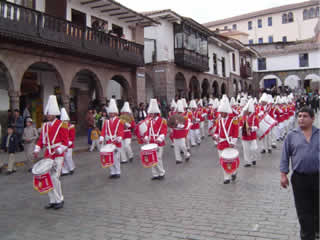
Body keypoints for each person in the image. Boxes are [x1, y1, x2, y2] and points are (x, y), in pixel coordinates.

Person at [280, 107, 319, 240]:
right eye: (300, 116)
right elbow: (285, 156)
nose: (301, 119)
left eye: (305, 116)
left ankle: (316, 229)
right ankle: (307, 235)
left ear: (312, 119)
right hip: (300, 178)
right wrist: (283, 175)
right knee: (303, 210)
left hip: (317, 177)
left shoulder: (319, 134)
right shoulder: (291, 135)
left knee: (317, 207)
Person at [34, 95, 68, 210]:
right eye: (47, 113)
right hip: (48, 155)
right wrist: (37, 148)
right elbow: (41, 140)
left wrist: (60, 149)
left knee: (54, 177)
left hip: (58, 155)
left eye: (50, 113)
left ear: (55, 113)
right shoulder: (45, 126)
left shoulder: (62, 125)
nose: (48, 115)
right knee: (47, 177)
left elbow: (66, 142)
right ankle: (52, 200)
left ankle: (60, 199)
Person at [212, 96, 239, 184]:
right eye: (221, 112)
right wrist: (215, 136)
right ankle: (226, 177)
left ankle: (233, 172)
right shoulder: (219, 119)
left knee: (230, 160)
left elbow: (236, 132)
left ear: (226, 112)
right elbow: (216, 131)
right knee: (223, 161)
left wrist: (233, 142)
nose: (221, 114)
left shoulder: (233, 119)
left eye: (223, 112)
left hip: (229, 143)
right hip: (221, 143)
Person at [143, 99, 167, 180]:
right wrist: (146, 137)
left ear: (156, 113)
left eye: (152, 113)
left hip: (159, 142)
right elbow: (148, 131)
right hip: (151, 142)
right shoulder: (150, 122)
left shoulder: (162, 121)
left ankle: (161, 173)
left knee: (158, 158)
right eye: (150, 113)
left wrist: (160, 138)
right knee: (151, 158)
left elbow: (164, 131)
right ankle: (155, 174)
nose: (150, 115)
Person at [99, 99, 124, 179]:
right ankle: (112, 172)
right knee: (109, 157)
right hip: (109, 142)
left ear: (116, 113)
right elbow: (103, 131)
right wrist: (102, 138)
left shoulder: (119, 121)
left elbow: (121, 131)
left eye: (112, 113)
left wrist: (119, 138)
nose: (111, 114)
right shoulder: (106, 122)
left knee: (116, 158)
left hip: (116, 142)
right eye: (110, 113)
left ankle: (118, 172)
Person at [240, 99, 259, 167]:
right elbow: (240, 124)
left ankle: (254, 158)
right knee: (246, 149)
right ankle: (248, 162)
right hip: (245, 135)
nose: (245, 111)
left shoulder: (255, 116)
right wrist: (242, 128)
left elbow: (257, 126)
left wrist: (251, 128)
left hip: (252, 135)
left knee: (254, 148)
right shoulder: (243, 116)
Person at [171, 100, 191, 164]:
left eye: (180, 112)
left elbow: (185, 126)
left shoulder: (185, 118)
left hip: (181, 134)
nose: (178, 113)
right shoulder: (173, 117)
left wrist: (178, 125)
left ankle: (187, 154)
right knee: (176, 147)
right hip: (175, 133)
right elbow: (171, 124)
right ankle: (178, 159)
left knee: (183, 146)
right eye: (178, 112)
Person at [60, 108, 76, 176]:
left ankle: (71, 168)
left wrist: (69, 142)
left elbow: (72, 137)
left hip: (69, 144)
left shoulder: (71, 127)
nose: (65, 121)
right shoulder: (60, 127)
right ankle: (64, 171)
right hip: (62, 144)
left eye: (65, 120)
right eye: (63, 120)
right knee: (62, 158)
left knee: (68, 157)